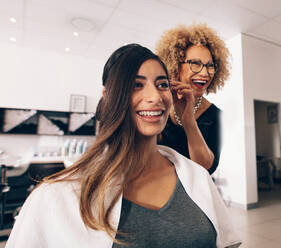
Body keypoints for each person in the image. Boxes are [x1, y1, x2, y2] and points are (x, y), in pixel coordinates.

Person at [6, 44, 241, 248]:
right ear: (108, 96)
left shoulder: (197, 177)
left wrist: (189, 121)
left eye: (161, 85)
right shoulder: (55, 196)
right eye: (136, 85)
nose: (155, 97)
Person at [155, 23, 230, 175]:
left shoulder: (215, 116)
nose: (205, 73)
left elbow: (207, 168)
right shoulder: (158, 105)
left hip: (195, 194)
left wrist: (189, 121)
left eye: (210, 66)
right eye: (195, 63)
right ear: (175, 64)